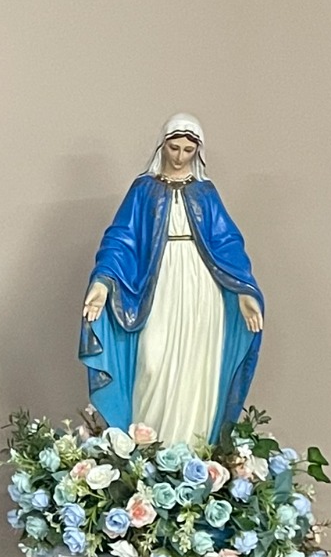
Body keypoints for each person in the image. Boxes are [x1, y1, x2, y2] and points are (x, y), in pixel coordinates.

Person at [79, 113, 264, 445]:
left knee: (196, 369)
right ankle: (148, 453)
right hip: (158, 282)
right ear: (162, 146)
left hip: (202, 285)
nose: (179, 157)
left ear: (198, 152)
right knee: (152, 360)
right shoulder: (144, 190)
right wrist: (102, 283)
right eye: (174, 148)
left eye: (187, 150)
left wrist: (244, 291)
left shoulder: (205, 193)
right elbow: (121, 238)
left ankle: (190, 453)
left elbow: (227, 243)